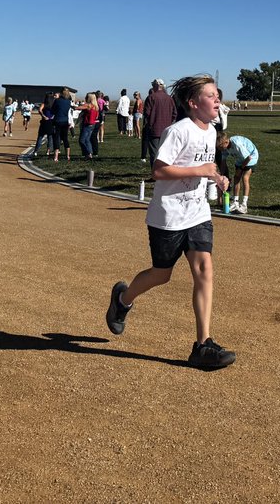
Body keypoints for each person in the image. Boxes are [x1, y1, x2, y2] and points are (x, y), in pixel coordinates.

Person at [104, 75, 237, 370]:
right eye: (211, 96)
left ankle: (203, 345)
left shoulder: (211, 130)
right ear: (193, 103)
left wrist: (216, 177)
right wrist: (201, 168)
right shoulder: (179, 131)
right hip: (168, 216)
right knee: (161, 274)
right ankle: (123, 299)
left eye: (218, 95)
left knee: (204, 270)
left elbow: (203, 167)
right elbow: (159, 171)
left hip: (198, 213)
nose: (218, 100)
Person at [217, 131, 258, 213]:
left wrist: (241, 168)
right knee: (236, 178)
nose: (220, 149)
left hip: (251, 157)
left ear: (226, 142)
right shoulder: (224, 147)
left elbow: (248, 158)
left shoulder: (237, 145)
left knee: (245, 178)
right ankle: (235, 202)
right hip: (240, 159)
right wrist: (221, 175)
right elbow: (223, 162)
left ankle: (244, 205)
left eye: (220, 147)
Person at [141, 79, 177, 163]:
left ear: (156, 86)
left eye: (153, 85)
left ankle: (156, 173)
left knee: (154, 153)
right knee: (166, 153)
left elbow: (147, 113)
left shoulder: (151, 97)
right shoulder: (169, 98)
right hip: (167, 130)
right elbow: (174, 114)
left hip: (154, 129)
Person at [51, 88, 74, 161]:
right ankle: (68, 156)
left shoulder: (57, 101)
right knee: (65, 138)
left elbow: (52, 111)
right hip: (65, 121)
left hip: (57, 120)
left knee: (57, 138)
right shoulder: (68, 102)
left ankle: (56, 157)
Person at [77, 92, 101, 158]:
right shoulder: (96, 106)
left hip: (87, 124)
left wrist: (70, 105)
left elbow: (78, 108)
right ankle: (90, 153)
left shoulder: (89, 105)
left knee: (81, 140)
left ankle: (87, 153)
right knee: (87, 139)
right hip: (93, 124)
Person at [34, 92, 55, 157]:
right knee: (50, 137)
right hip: (51, 122)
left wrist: (43, 116)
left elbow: (40, 110)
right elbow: (56, 111)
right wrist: (52, 116)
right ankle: (48, 151)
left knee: (40, 137)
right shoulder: (53, 104)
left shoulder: (44, 104)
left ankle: (36, 151)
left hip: (44, 121)